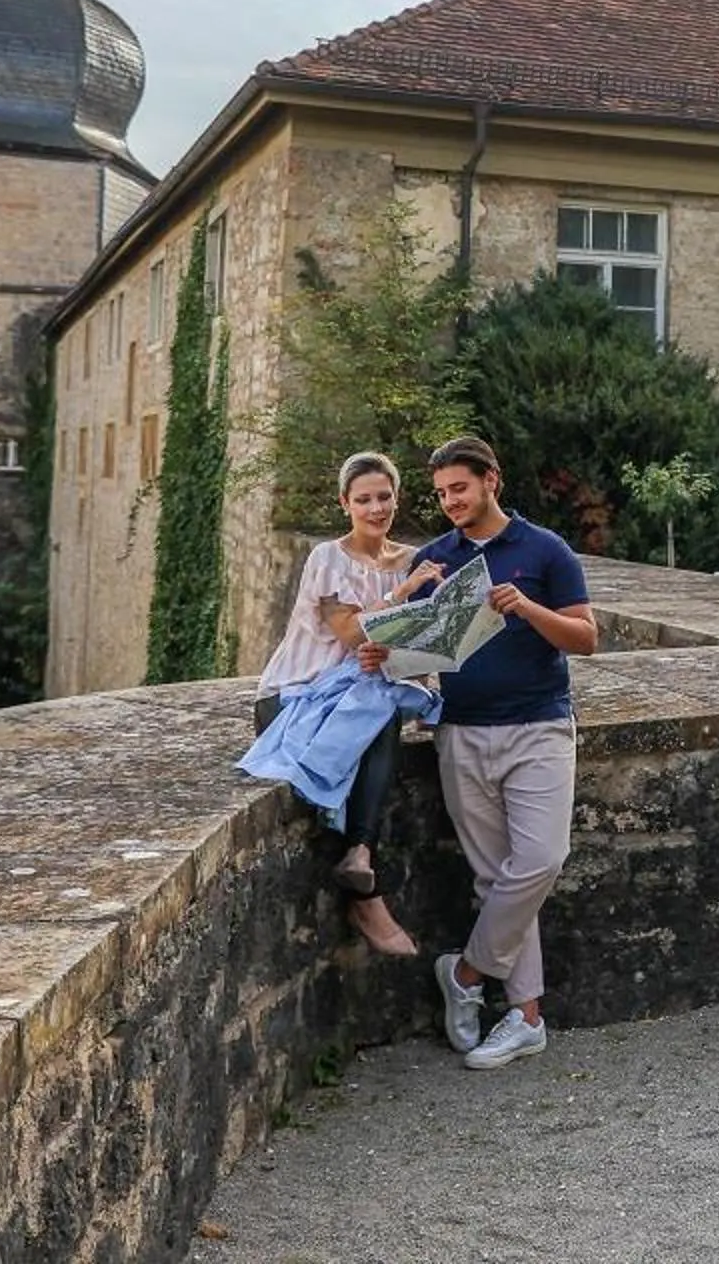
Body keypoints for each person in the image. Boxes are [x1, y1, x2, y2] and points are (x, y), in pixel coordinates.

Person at [389, 434, 594, 1070]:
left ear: (491, 482)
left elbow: (586, 638)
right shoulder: (432, 560)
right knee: (496, 877)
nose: (450, 501)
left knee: (539, 859)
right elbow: (409, 653)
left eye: (460, 488)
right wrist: (389, 634)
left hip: (538, 726)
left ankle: (469, 973)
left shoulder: (545, 550)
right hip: (461, 731)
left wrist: (528, 608)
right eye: (442, 492)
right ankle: (526, 1017)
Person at [250, 451, 426, 958]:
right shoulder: (328, 558)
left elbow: (402, 644)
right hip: (297, 694)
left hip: (362, 693)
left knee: (382, 707)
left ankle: (361, 853)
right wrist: (405, 595)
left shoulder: (408, 561)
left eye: (384, 497)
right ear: (345, 503)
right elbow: (350, 633)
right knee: (376, 712)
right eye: (364, 499)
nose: (376, 508)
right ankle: (367, 893)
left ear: (397, 497)